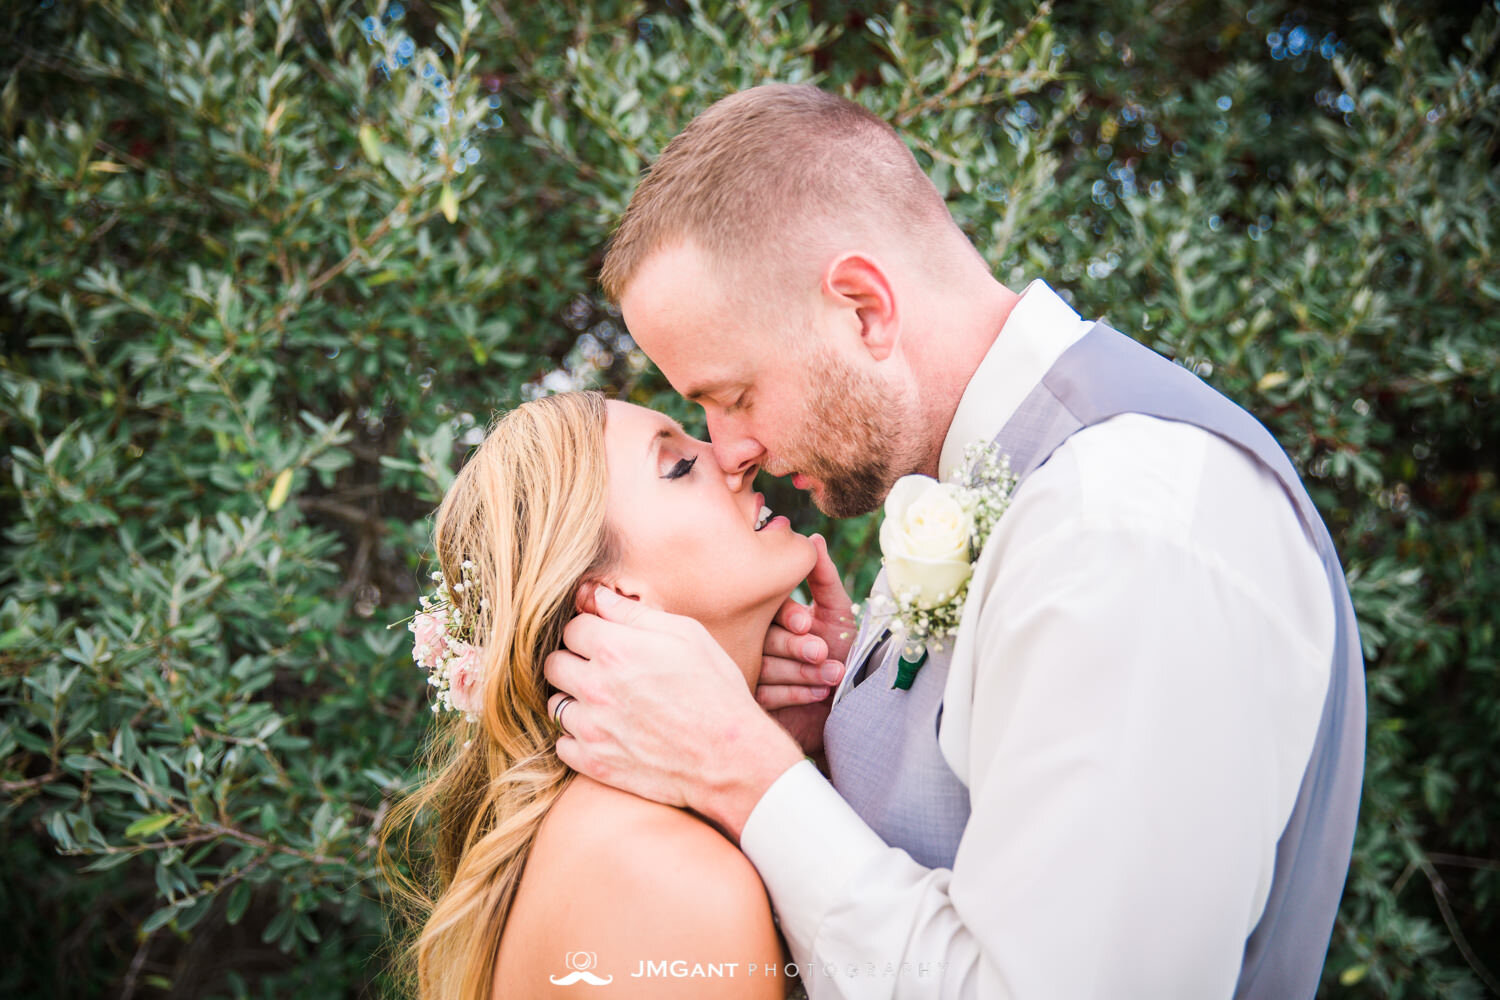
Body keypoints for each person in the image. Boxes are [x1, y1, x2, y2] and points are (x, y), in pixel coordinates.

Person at [542, 84, 1366, 998]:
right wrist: (833, 745)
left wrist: (745, 772)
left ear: (862, 309)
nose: (734, 450)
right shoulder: (982, 493)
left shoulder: (1123, 521)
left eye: (734, 396)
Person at [381, 390, 820, 999]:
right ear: (611, 595)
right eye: (679, 467)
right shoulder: (667, 880)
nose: (730, 456)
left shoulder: (629, 836)